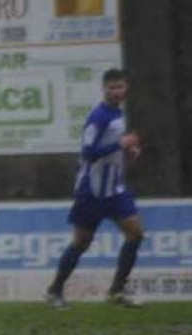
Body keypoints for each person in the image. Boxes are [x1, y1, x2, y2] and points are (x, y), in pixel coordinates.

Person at [45, 68, 144, 309]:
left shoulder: (119, 114)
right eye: (111, 88)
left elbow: (112, 146)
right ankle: (55, 290)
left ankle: (117, 291)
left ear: (126, 88)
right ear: (104, 90)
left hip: (115, 190)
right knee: (82, 243)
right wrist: (120, 143)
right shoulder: (98, 117)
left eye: (120, 87)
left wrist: (128, 149)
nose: (116, 92)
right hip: (91, 191)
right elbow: (88, 153)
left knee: (135, 234)